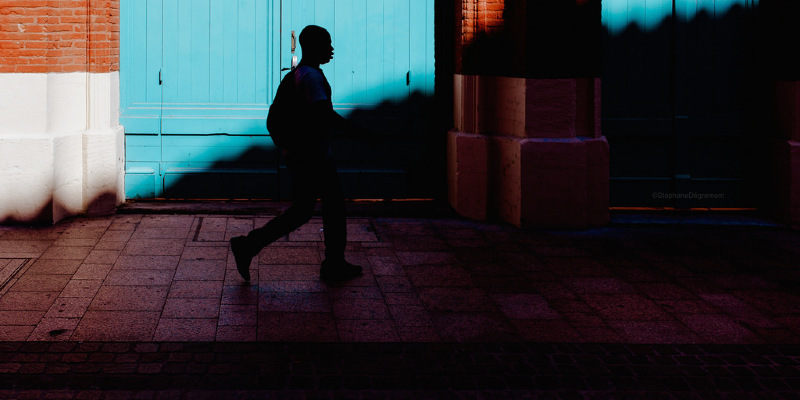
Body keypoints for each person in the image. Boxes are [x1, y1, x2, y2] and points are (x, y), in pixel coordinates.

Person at [230, 25, 375, 283]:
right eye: (327, 44)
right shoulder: (310, 77)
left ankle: (250, 246)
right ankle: (332, 264)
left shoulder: (300, 75)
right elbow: (324, 115)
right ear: (313, 47)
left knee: (306, 210)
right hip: (312, 156)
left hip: (304, 154)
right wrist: (361, 133)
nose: (331, 49)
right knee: (328, 206)